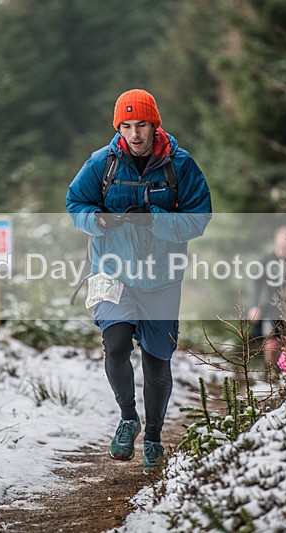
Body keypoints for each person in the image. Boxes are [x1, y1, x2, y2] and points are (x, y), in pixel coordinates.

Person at [66, 89, 212, 474]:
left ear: (154, 124)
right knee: (115, 343)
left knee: (157, 361)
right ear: (119, 127)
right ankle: (128, 418)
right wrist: (96, 220)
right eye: (126, 126)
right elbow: (75, 204)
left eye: (141, 125)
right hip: (111, 271)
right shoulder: (102, 164)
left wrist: (155, 221)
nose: (134, 134)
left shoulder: (179, 166)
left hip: (162, 277)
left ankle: (153, 438)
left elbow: (200, 217)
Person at [247, 226, 286, 369]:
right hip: (271, 308)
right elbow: (257, 284)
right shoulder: (267, 260)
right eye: (281, 245)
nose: (284, 248)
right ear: (276, 242)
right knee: (271, 344)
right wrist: (254, 305)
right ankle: (270, 374)